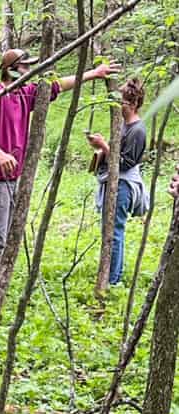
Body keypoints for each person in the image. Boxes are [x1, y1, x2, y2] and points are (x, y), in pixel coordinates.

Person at [0, 49, 120, 304]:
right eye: (25, 67)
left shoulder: (25, 93)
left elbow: (58, 85)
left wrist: (94, 73)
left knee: (5, 238)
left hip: (15, 179)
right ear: (11, 69)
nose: (29, 71)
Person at [87, 78, 149, 286]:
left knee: (114, 231)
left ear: (131, 104)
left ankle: (112, 280)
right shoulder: (122, 125)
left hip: (123, 186)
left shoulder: (138, 130)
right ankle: (111, 274)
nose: (117, 105)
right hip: (114, 182)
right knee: (109, 230)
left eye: (120, 101)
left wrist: (104, 146)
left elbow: (124, 163)